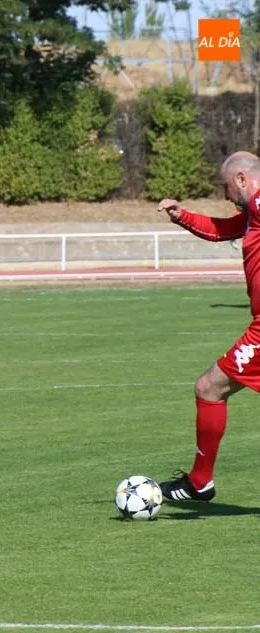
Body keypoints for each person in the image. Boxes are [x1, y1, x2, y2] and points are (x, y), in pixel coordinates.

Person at [156, 150, 260, 502]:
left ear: (243, 179)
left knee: (209, 387)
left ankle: (200, 481)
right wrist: (182, 216)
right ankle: (200, 481)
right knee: (209, 388)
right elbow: (221, 230)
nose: (227, 196)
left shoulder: (258, 202)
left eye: (227, 187)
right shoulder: (252, 216)